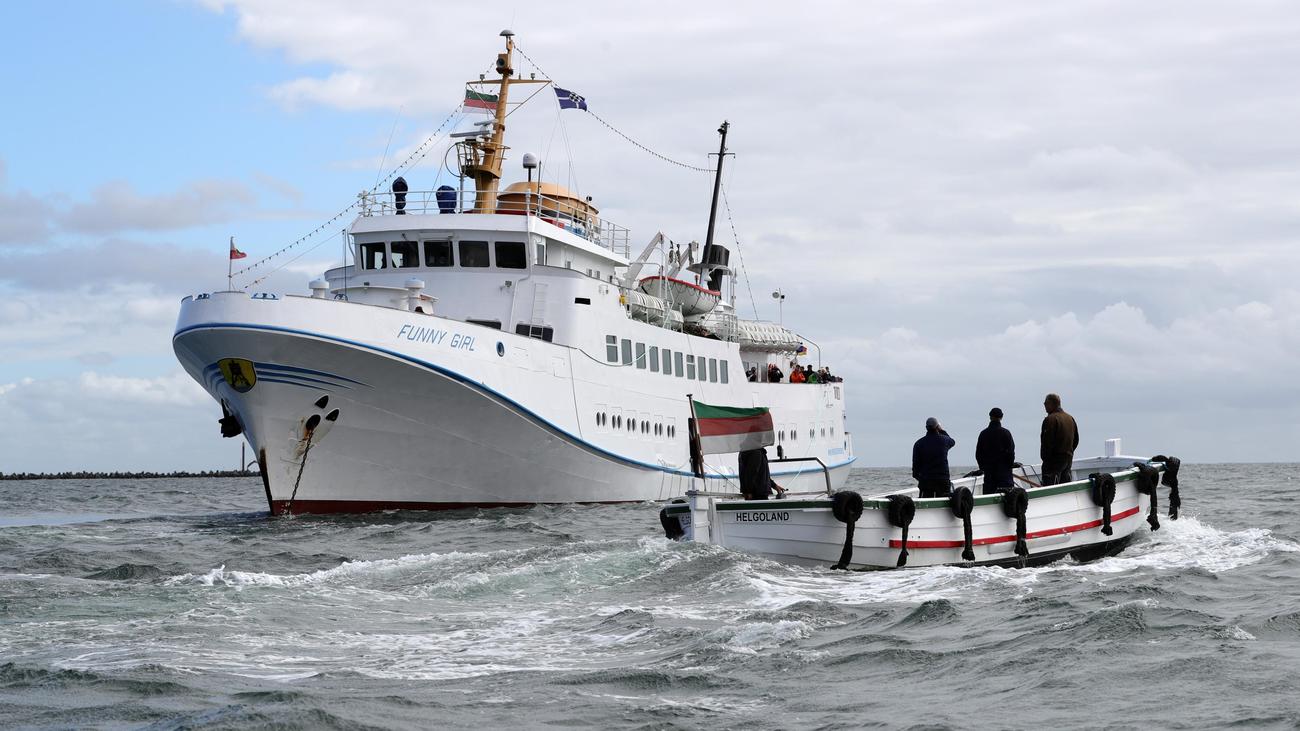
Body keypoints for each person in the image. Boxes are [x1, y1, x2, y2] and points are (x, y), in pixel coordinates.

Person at [1039, 393, 1079, 486]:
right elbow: (1076, 440)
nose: (1044, 405)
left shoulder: (1050, 419)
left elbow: (1047, 443)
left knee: (1050, 488)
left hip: (1053, 462)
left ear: (1051, 404)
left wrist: (1045, 459)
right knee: (1064, 487)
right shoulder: (1070, 418)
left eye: (1045, 403)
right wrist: (1069, 451)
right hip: (1068, 458)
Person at [912, 417, 955, 498]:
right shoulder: (944, 440)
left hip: (926, 482)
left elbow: (915, 466)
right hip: (942, 481)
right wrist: (942, 430)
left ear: (926, 428)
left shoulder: (918, 443)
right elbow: (952, 441)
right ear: (937, 427)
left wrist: (920, 479)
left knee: (925, 500)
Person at [975, 407, 1016, 494]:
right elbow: (1011, 452)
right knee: (1008, 499)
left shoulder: (983, 434)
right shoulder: (1006, 433)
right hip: (1004, 473)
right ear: (1001, 417)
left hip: (989, 473)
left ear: (990, 417)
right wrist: (1009, 466)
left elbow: (978, 454)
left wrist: (983, 467)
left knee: (989, 495)